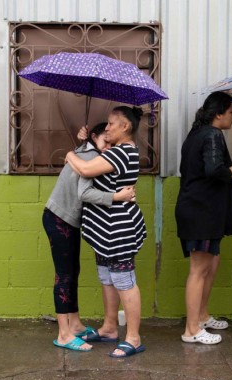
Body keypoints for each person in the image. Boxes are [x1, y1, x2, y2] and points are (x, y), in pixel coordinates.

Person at [42, 123, 135, 352]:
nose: (108, 147)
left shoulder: (87, 151)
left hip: (66, 219)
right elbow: (84, 193)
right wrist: (117, 196)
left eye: (111, 143)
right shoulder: (91, 155)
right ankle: (64, 334)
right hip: (59, 218)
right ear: (94, 137)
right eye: (105, 141)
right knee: (64, 274)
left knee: (73, 271)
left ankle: (74, 324)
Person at [65, 106, 147, 358]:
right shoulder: (115, 151)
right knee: (107, 279)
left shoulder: (124, 152)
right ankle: (110, 327)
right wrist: (85, 144)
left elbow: (86, 170)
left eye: (111, 124)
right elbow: (93, 163)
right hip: (104, 231)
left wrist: (70, 153)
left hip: (118, 230)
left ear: (125, 127)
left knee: (124, 281)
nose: (107, 127)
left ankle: (133, 338)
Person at [175, 91, 232, 345]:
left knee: (211, 263)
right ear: (218, 114)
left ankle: (201, 316)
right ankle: (191, 330)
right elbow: (214, 169)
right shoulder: (212, 134)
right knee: (199, 269)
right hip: (200, 212)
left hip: (203, 210)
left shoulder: (198, 133)